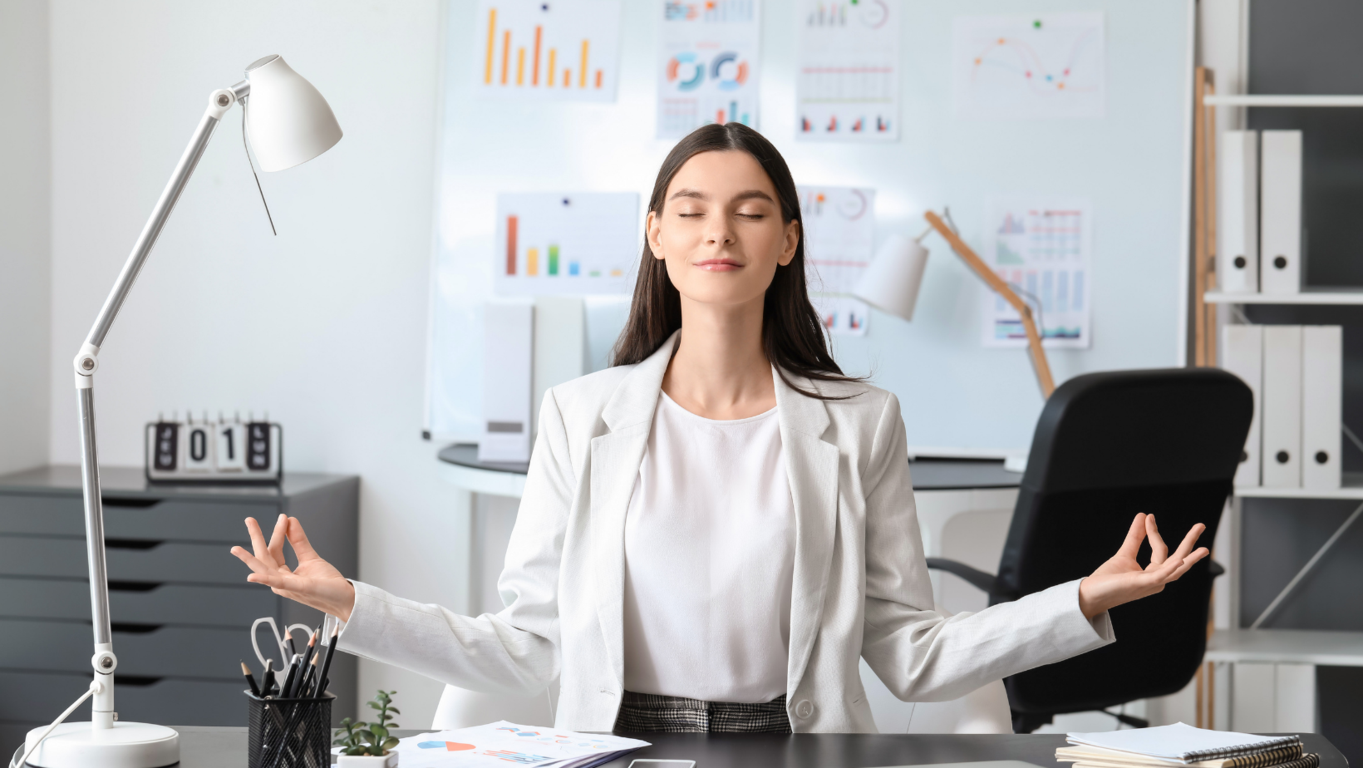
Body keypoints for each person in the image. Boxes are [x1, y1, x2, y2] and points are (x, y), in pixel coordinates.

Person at [230, 123, 1210, 735]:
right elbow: (522, 648)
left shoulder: (860, 422)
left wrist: (1081, 600)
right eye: (691, 210)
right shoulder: (583, 416)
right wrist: (347, 600)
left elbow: (911, 655)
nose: (718, 233)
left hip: (796, 742)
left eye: (749, 213)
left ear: (786, 243)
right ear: (656, 235)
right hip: (620, 743)